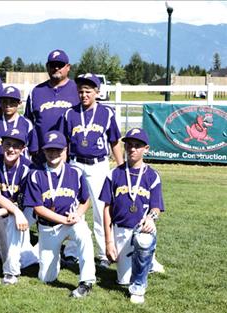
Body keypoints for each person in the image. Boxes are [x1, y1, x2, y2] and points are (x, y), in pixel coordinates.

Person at [59, 73, 124, 268]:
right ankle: (71, 251)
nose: (84, 94)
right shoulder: (70, 114)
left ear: (97, 92)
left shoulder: (106, 113)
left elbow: (114, 141)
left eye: (88, 91)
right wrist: (63, 169)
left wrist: (121, 167)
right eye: (80, 91)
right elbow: (64, 144)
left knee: (100, 208)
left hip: (98, 164)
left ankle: (105, 252)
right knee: (73, 207)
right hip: (76, 164)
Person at [23, 131, 96, 298]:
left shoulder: (75, 172)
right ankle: (52, 257)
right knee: (46, 278)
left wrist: (77, 215)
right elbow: (38, 208)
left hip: (71, 222)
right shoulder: (36, 174)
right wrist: (64, 219)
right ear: (43, 151)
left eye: (57, 150)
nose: (53, 154)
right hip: (48, 227)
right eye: (49, 150)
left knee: (83, 233)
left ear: (65, 150)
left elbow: (86, 200)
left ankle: (87, 281)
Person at [100, 128, 165, 304]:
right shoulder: (114, 173)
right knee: (122, 281)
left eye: (137, 146)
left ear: (146, 148)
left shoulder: (152, 175)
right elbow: (107, 209)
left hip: (141, 229)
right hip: (120, 231)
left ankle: (139, 286)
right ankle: (146, 261)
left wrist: (151, 217)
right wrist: (109, 242)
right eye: (129, 145)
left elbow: (156, 207)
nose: (132, 149)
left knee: (144, 241)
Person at [0, 128, 38, 285]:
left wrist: (2, 211)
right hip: (4, 208)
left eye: (16, 146)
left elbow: (22, 202)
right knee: (9, 253)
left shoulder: (29, 168)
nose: (11, 149)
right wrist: (5, 211)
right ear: (1, 145)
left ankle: (11, 273)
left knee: (14, 222)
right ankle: (38, 254)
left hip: (26, 210)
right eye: (7, 144)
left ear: (23, 149)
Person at [24, 49, 80, 164]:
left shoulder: (78, 90)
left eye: (60, 65)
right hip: (41, 153)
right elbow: (28, 123)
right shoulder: (36, 92)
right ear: (47, 67)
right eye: (52, 65)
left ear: (68, 67)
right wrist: (33, 147)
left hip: (70, 155)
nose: (56, 68)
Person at [0, 85, 38, 160]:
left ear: (19, 103)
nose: (8, 105)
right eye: (4, 102)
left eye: (12, 102)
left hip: (20, 167)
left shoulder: (27, 124)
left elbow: (33, 149)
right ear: (0, 102)